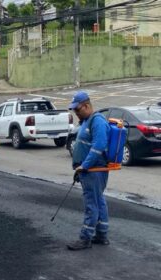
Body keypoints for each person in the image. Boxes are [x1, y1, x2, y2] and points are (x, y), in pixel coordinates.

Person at [67, 91, 111, 251]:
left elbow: (99, 146)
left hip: (94, 170)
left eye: (77, 109)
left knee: (91, 204)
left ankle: (85, 239)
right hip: (89, 170)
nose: (75, 112)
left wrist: (84, 165)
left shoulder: (97, 121)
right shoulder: (86, 121)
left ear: (86, 106)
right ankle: (102, 235)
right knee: (98, 201)